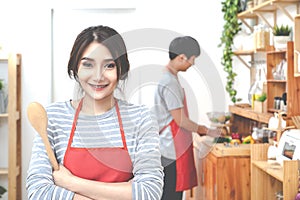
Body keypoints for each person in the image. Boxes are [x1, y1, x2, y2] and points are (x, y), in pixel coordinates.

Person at [26, 25, 164, 200]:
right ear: (75, 68)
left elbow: (149, 193)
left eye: (109, 65)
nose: (98, 76)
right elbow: (38, 193)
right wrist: (125, 191)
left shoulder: (141, 118)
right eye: (88, 64)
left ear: (121, 69)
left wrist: (71, 183)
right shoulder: (52, 117)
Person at [152, 36, 222, 200]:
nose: (193, 64)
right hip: (171, 149)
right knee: (171, 195)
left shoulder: (167, 76)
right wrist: (205, 130)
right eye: (192, 59)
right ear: (182, 57)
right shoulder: (169, 82)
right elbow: (181, 120)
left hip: (167, 147)